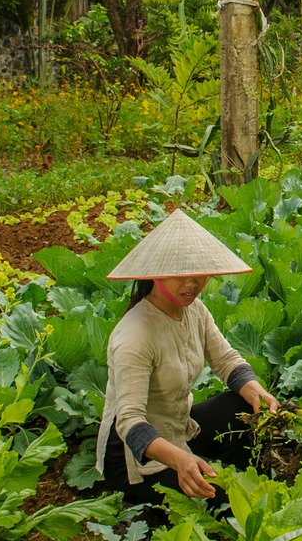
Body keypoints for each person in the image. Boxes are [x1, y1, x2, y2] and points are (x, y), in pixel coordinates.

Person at [95, 209, 279, 503]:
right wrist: (180, 460)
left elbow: (226, 361)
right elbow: (129, 422)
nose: (192, 284)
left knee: (243, 406)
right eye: (180, 275)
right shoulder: (135, 335)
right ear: (156, 275)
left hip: (180, 427)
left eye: (199, 273)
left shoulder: (195, 310)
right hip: (135, 460)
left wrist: (258, 393)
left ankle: (249, 476)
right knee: (225, 498)